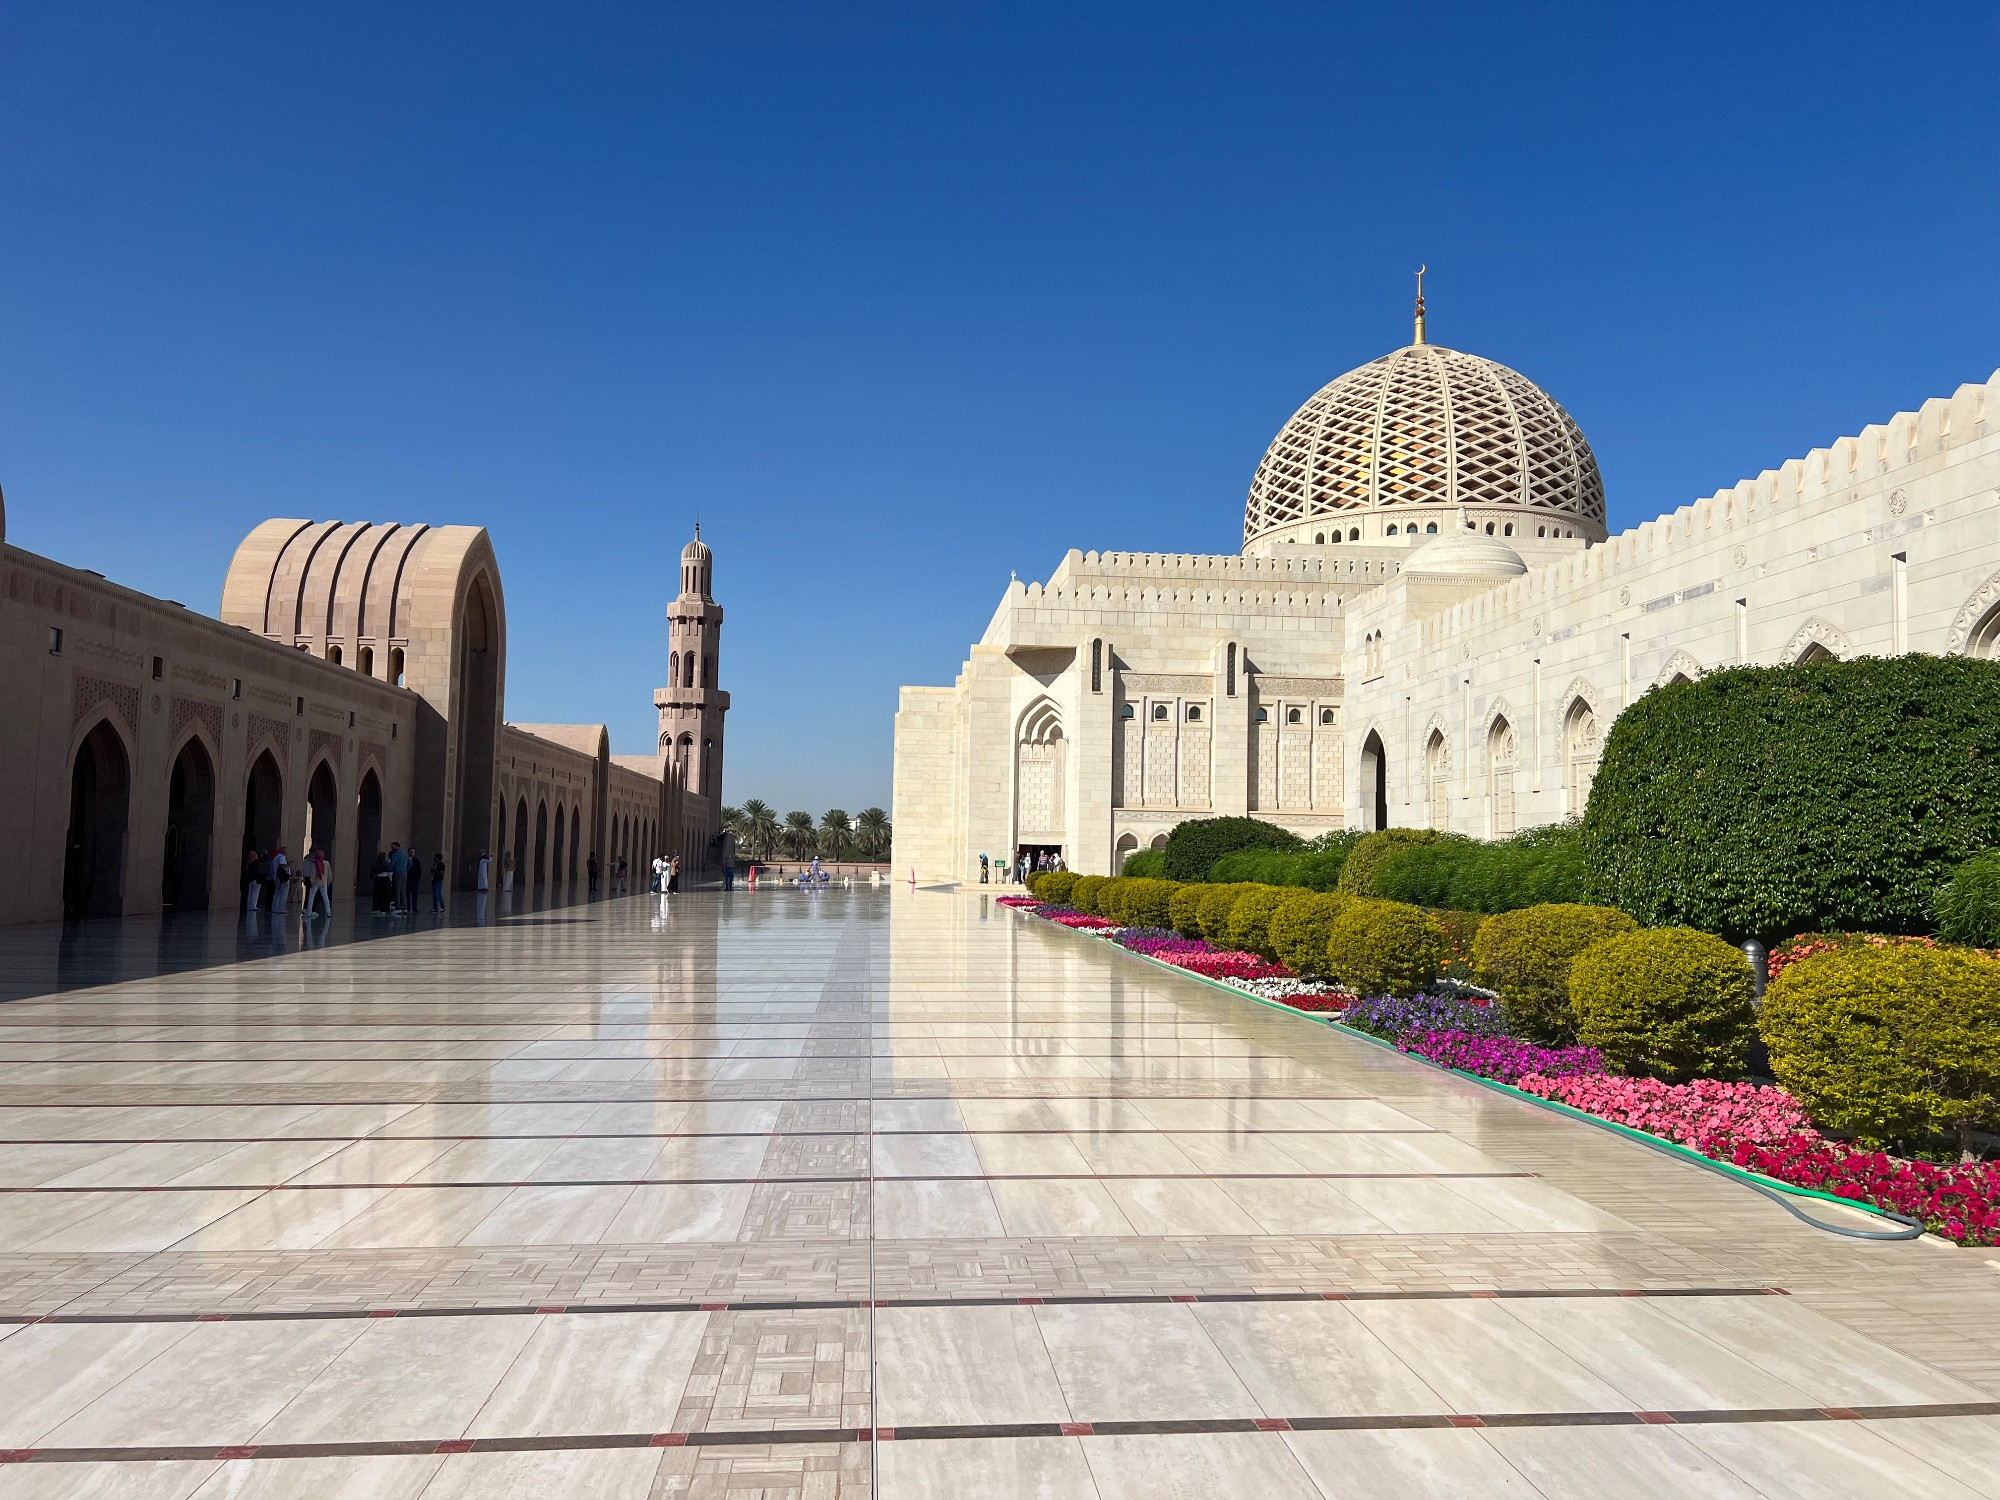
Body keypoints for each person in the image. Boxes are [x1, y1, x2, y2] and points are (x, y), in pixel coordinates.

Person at [307, 847, 332, 917]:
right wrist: (328, 882)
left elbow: (312, 873)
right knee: (325, 897)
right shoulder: (326, 863)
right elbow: (329, 874)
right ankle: (328, 912)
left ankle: (308, 912)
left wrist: (311, 881)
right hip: (323, 882)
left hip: (315, 882)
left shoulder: (314, 863)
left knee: (311, 897)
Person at [388, 842, 410, 915]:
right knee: (403, 891)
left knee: (396, 890)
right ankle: (404, 907)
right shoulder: (405, 853)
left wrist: (390, 869)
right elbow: (411, 863)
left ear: (396, 846)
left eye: (392, 847)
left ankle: (397, 906)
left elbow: (392, 864)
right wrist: (406, 869)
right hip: (404, 874)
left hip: (397, 874)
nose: (392, 848)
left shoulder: (396, 854)